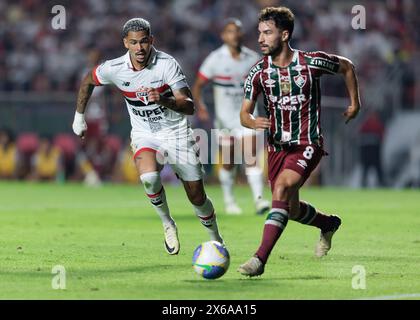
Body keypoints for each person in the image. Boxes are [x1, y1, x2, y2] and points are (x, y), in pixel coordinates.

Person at [72, 18, 223, 255]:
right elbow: (88, 81)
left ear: (151, 40)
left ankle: (216, 240)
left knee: (197, 196)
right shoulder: (115, 68)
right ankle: (167, 223)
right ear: (126, 43)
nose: (139, 48)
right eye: (134, 43)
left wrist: (164, 99)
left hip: (176, 133)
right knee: (149, 178)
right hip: (145, 133)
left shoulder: (167, 64)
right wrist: (79, 117)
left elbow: (189, 106)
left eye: (144, 41)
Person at [237, 7, 361, 276]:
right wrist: (252, 121)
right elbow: (244, 114)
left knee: (281, 190)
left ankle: (259, 260)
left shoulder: (311, 63)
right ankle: (328, 223)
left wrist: (355, 104)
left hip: (307, 143)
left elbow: (347, 67)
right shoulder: (257, 73)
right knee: (290, 209)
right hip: (275, 149)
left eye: (267, 33)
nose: (260, 39)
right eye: (259, 33)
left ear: (284, 34)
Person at [192, 18, 270, 215]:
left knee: (250, 156)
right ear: (223, 36)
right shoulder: (215, 59)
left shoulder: (252, 59)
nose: (233, 35)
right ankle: (229, 201)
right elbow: (198, 86)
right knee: (228, 162)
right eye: (229, 31)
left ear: (242, 34)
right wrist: (200, 106)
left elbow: (267, 84)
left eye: (237, 31)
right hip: (225, 120)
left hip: (248, 117)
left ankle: (259, 200)